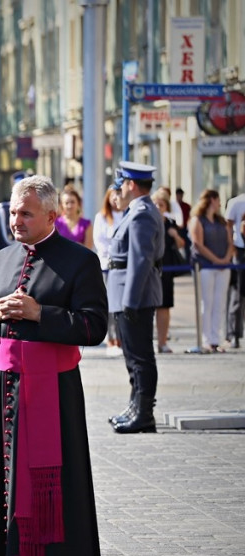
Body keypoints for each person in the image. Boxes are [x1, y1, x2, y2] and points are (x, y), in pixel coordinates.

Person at [0, 174, 107, 556]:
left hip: (54, 389)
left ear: (52, 215)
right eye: (12, 212)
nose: (17, 220)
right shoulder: (1, 259)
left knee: (54, 480)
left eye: (26, 213)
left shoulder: (80, 261)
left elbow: (95, 326)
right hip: (2, 385)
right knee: (0, 478)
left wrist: (40, 313)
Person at [107, 162, 165, 434]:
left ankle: (144, 414)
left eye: (122, 182)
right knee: (132, 356)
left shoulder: (141, 213)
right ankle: (135, 406)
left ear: (131, 184)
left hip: (135, 296)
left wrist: (130, 300)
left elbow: (140, 261)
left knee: (140, 357)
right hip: (126, 292)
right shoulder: (136, 211)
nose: (120, 187)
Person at [188, 189, 233, 353]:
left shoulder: (221, 221)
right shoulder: (197, 220)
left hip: (223, 267)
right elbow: (198, 244)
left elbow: (230, 241)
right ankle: (206, 339)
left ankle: (215, 339)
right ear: (211, 200)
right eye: (217, 199)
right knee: (206, 303)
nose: (219, 202)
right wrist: (216, 260)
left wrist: (226, 259)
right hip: (205, 266)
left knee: (219, 303)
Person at [152, 189, 186, 354]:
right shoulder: (147, 221)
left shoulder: (170, 224)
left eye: (161, 204)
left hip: (166, 269)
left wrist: (175, 236)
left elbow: (181, 245)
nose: (158, 207)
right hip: (150, 270)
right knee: (148, 307)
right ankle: (148, 342)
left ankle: (162, 342)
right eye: (156, 204)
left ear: (166, 207)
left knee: (164, 307)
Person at [93, 187, 125, 355]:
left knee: (121, 305)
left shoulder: (127, 214)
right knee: (110, 305)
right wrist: (115, 253)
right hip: (108, 266)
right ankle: (111, 339)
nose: (116, 199)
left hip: (123, 266)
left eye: (118, 195)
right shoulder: (102, 217)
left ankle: (122, 338)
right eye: (113, 195)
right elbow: (100, 242)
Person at [223, 191, 245, 349]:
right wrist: (231, 250)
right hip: (240, 251)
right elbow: (228, 227)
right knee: (237, 295)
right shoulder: (236, 202)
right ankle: (233, 334)